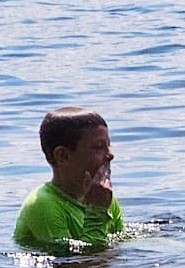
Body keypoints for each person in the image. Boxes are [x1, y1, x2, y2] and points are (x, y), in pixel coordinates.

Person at [14, 108, 124, 252]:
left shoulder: (102, 197)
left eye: (108, 145)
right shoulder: (43, 205)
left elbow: (117, 247)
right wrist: (96, 214)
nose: (110, 154)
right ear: (63, 156)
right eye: (98, 147)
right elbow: (83, 266)